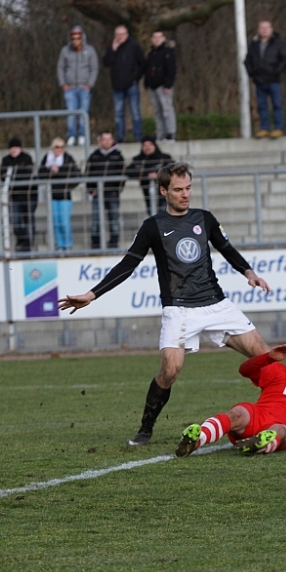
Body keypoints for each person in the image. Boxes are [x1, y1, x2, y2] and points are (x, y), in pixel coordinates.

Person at [58, 161, 272, 446]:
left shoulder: (204, 218)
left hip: (216, 304)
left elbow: (227, 248)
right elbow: (128, 264)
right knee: (170, 370)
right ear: (163, 191)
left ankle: (279, 415)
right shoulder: (153, 226)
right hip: (178, 309)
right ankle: (145, 429)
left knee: (267, 358)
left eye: (188, 188)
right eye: (178, 190)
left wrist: (249, 272)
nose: (185, 194)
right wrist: (92, 294)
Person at [243, 20, 286, 138]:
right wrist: (252, 73)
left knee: (277, 104)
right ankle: (264, 128)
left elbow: (285, 59)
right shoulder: (254, 45)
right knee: (262, 106)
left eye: (266, 28)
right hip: (259, 80)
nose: (264, 30)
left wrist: (276, 71)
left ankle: (278, 128)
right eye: (262, 28)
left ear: (271, 29)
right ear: (258, 30)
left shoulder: (278, 43)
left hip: (274, 80)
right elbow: (247, 60)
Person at [102, 25, 146, 143]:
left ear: (127, 35)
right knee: (118, 113)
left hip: (131, 84)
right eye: (117, 35)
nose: (120, 37)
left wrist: (135, 78)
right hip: (117, 86)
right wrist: (113, 50)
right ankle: (120, 137)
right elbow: (106, 63)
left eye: (122, 34)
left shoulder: (134, 46)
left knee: (135, 112)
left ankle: (138, 136)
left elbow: (142, 64)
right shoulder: (112, 47)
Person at [57, 25, 98, 146]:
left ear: (82, 37)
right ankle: (71, 135)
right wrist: (63, 84)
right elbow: (60, 68)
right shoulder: (65, 51)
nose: (75, 40)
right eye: (73, 38)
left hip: (84, 88)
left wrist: (89, 84)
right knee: (71, 113)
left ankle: (82, 135)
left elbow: (94, 68)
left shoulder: (90, 50)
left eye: (78, 38)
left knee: (83, 112)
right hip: (69, 88)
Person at [84, 131, 126, 249]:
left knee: (114, 219)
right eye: (104, 139)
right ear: (100, 141)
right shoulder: (94, 156)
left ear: (112, 141)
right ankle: (96, 244)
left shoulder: (118, 156)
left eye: (109, 139)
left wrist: (117, 190)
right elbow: (87, 174)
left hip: (112, 193)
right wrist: (91, 190)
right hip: (98, 193)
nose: (107, 142)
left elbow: (122, 175)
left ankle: (114, 243)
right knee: (96, 220)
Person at [38, 137, 80, 251]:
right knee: (56, 222)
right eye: (57, 147)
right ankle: (59, 245)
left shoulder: (68, 158)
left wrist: (60, 173)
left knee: (64, 222)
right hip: (51, 196)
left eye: (62, 147)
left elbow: (75, 174)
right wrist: (50, 171)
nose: (59, 149)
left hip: (65, 195)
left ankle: (68, 245)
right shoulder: (47, 159)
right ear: (52, 148)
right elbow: (40, 173)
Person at [0, 137, 37, 252]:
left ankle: (28, 244)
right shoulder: (6, 160)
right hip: (14, 197)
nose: (14, 149)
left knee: (28, 220)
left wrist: (14, 175)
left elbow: (28, 174)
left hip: (28, 196)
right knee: (15, 221)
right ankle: (21, 240)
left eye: (16, 147)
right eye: (12, 147)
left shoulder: (27, 158)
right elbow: (3, 177)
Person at [126, 135, 174, 216]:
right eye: (145, 145)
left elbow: (173, 169)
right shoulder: (138, 160)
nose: (147, 147)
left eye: (150, 145)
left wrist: (158, 174)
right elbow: (129, 171)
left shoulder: (165, 157)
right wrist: (147, 175)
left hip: (164, 195)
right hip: (147, 194)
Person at [144, 30, 177, 141]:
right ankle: (160, 133)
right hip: (152, 87)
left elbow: (171, 70)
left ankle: (170, 133)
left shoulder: (168, 52)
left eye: (159, 37)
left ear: (164, 38)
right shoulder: (151, 54)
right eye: (155, 37)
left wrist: (168, 85)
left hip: (163, 86)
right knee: (157, 112)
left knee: (166, 110)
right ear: (151, 39)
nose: (157, 39)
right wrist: (147, 83)